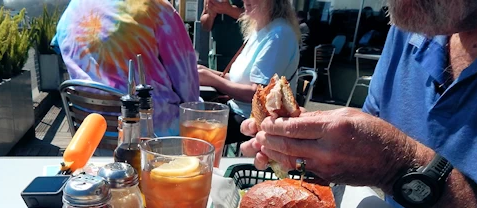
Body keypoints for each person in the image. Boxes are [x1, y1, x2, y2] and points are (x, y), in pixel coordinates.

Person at [239, 0, 477, 208]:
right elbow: (358, 155)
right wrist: (305, 150)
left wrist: (399, 165)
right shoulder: (413, 25)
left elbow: (386, 156)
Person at [51, 0, 199, 136]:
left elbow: (57, 45)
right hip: (153, 137)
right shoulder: (157, 7)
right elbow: (188, 91)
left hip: (90, 136)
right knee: (206, 118)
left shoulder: (72, 10)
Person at [197, 0, 300, 144]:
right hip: (236, 110)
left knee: (194, 131)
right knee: (186, 115)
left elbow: (257, 94)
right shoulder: (261, 30)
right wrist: (205, 72)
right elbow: (238, 79)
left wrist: (212, 79)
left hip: (255, 121)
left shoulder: (279, 35)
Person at [200, 0, 245, 72]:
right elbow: (205, 26)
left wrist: (229, 10)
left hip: (243, 55)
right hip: (218, 58)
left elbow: (258, 16)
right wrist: (211, 16)